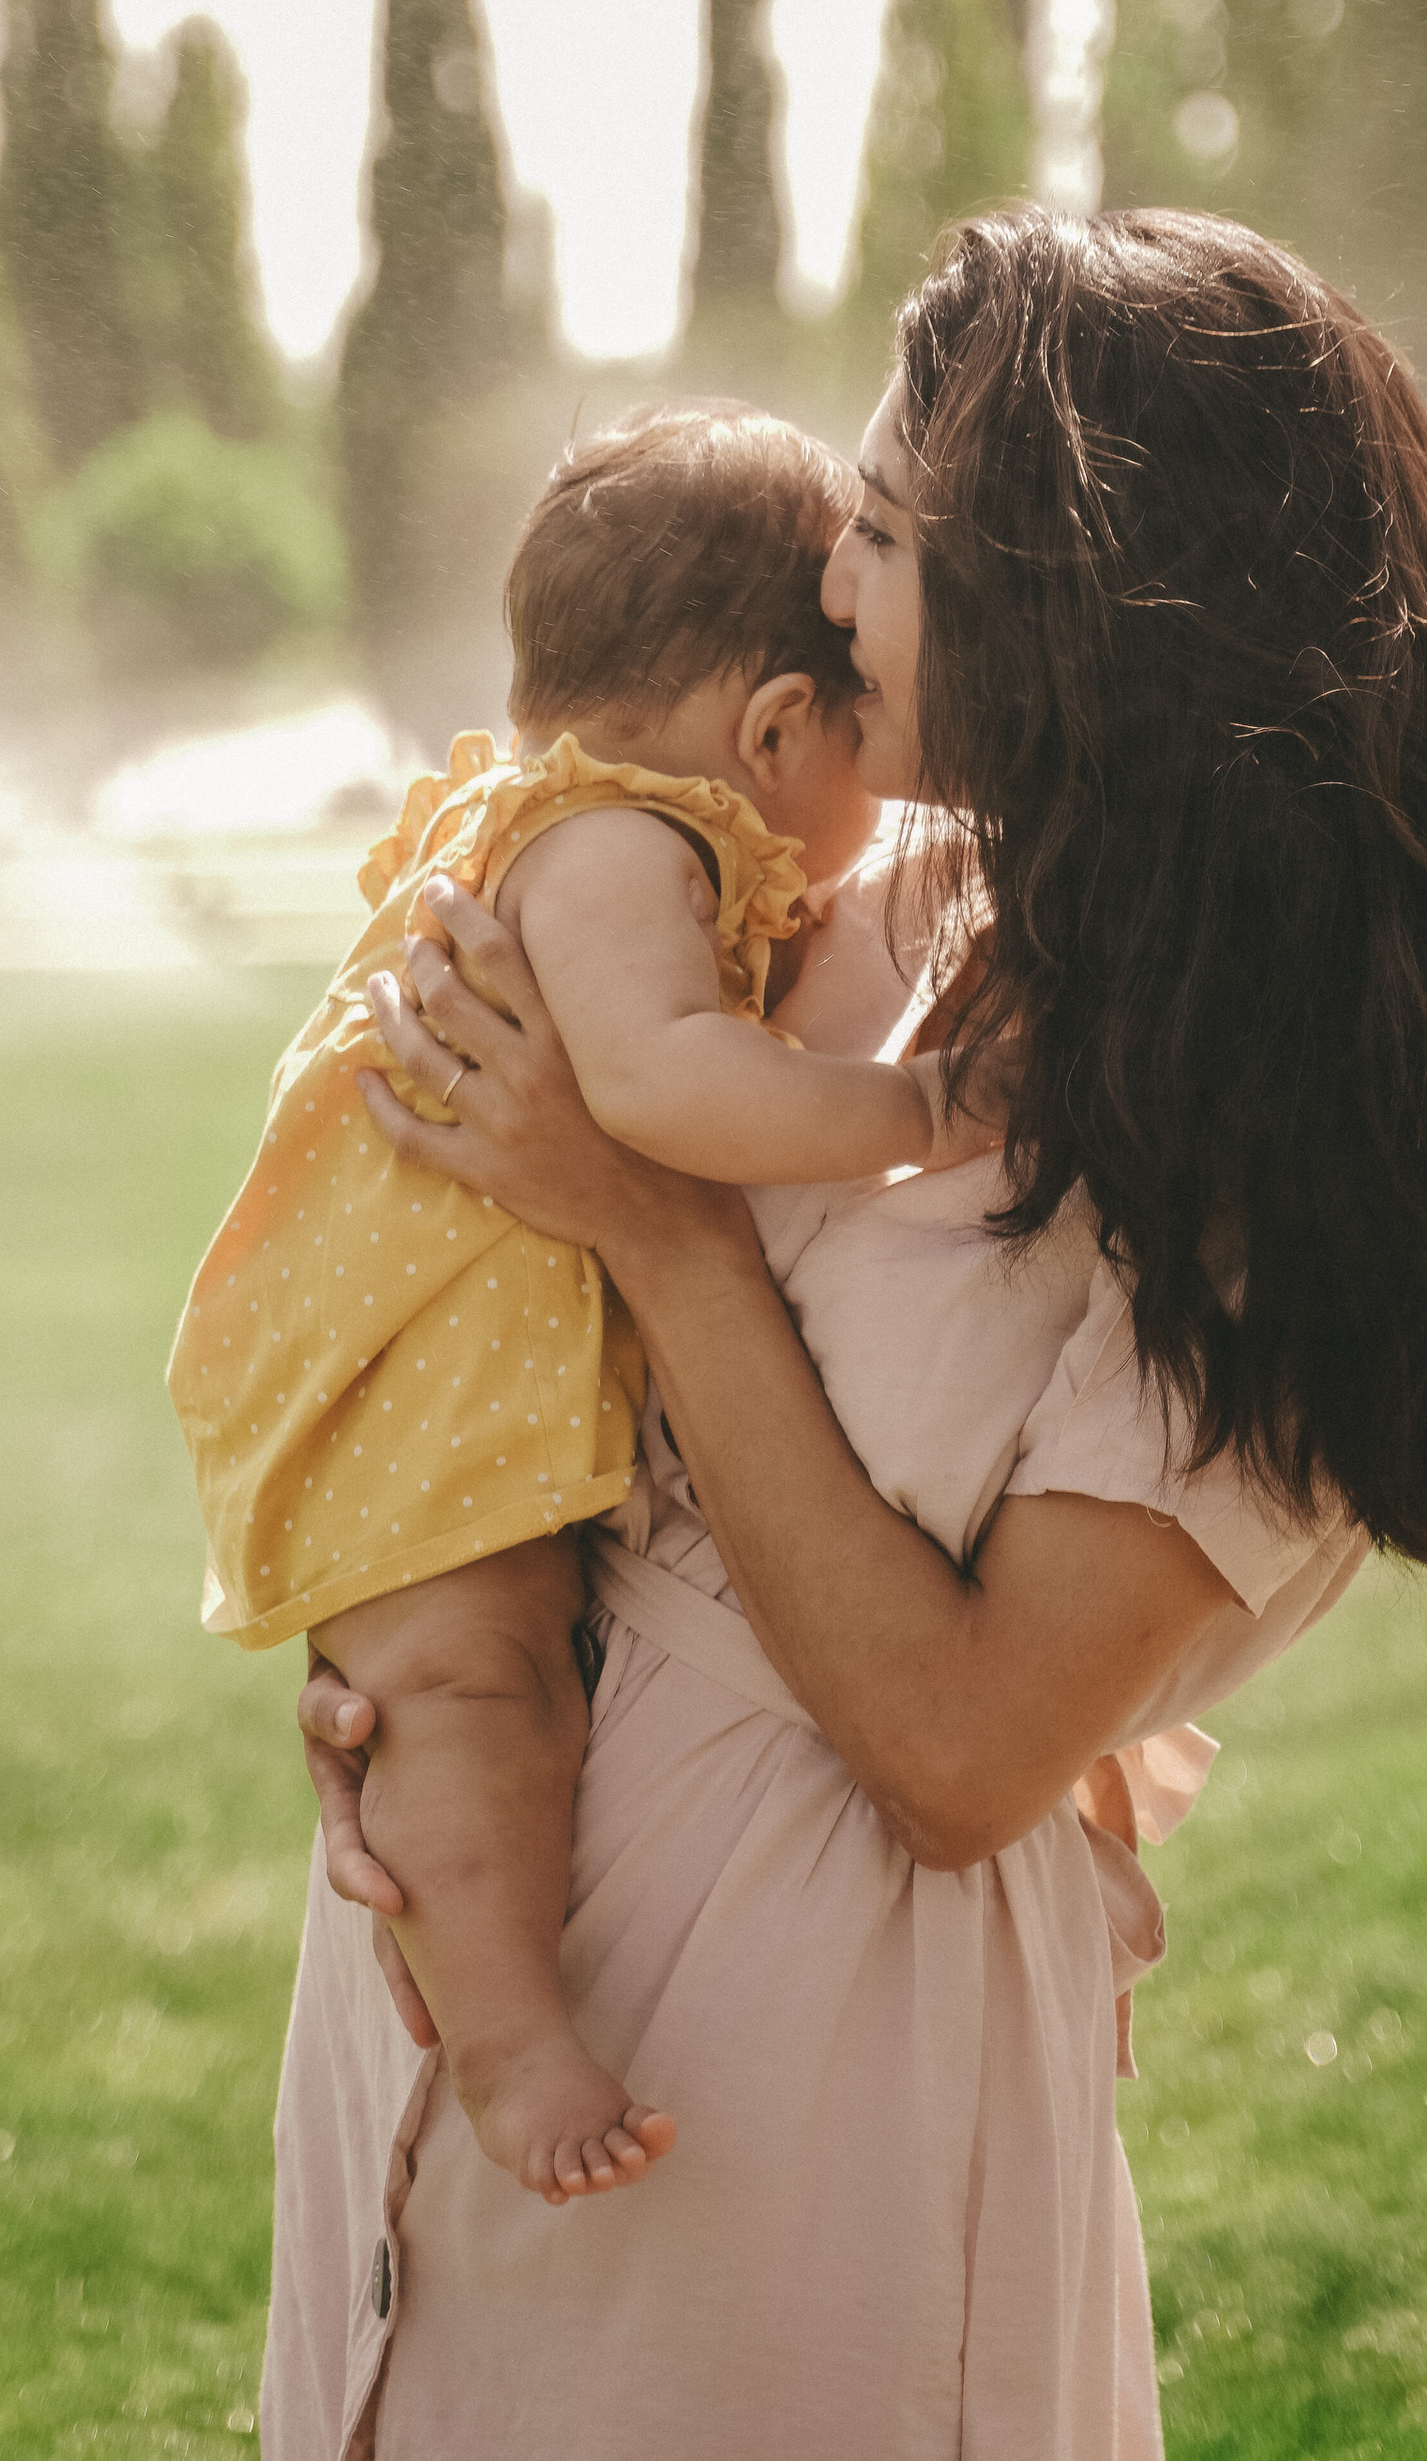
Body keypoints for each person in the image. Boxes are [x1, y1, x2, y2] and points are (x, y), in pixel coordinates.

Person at [257, 209, 1427, 2461]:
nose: (826, 579)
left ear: (1080, 600)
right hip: (463, 1996)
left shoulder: (1290, 1161)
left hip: (796, 2085)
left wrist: (656, 1228)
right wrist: (415, 1663)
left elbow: (954, 1743)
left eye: (892, 537)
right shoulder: (868, 899)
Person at [170, 405, 993, 2210]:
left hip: (454, 1381)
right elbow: (660, 1089)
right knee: (474, 1700)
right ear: (777, 728)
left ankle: (491, 2006)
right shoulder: (631, 846)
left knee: (478, 1696)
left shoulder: (580, 817)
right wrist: (920, 1112)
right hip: (424, 1395)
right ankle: (506, 2039)